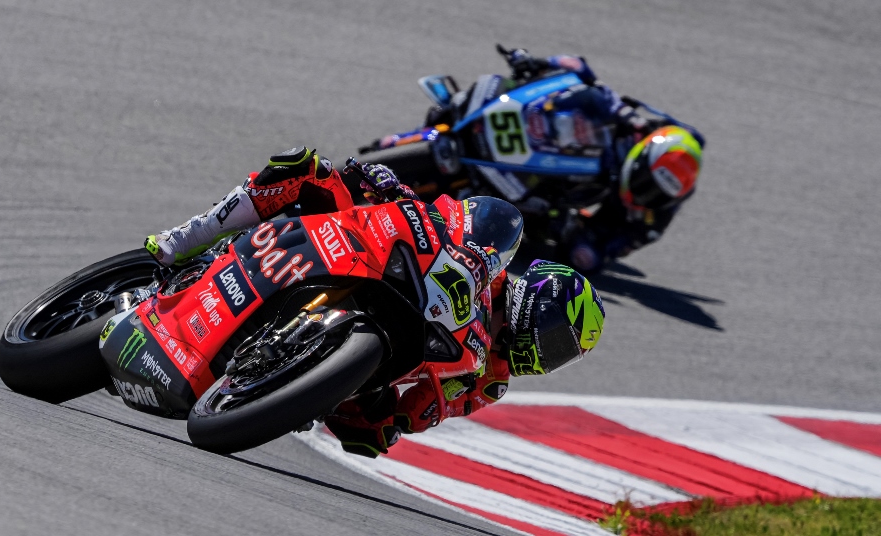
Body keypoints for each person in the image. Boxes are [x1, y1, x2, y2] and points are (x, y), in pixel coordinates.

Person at [145, 146, 606, 458]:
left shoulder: (490, 381)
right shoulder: (492, 259)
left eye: (561, 356)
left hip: (385, 359)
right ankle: (187, 238)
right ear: (539, 304)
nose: (548, 356)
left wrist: (396, 421)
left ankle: (285, 377)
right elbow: (450, 217)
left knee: (375, 428)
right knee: (306, 169)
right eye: (556, 341)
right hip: (376, 259)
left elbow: (426, 409)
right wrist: (395, 192)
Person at [425, 46, 705, 273]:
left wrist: (580, 244)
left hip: (569, 200)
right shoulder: (635, 125)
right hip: (556, 143)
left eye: (655, 194)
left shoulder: (653, 217)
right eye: (646, 183)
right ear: (644, 156)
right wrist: (538, 64)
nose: (645, 194)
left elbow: (601, 252)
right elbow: (584, 74)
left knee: (573, 249)